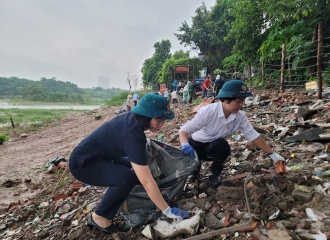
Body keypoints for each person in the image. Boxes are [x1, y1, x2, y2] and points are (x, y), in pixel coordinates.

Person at [69, 93, 189, 234]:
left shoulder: (133, 122)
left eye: (164, 121)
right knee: (126, 178)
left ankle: (132, 199)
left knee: (133, 172)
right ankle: (99, 216)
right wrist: (167, 210)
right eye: (159, 121)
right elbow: (146, 181)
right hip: (84, 164)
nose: (161, 126)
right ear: (147, 116)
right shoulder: (133, 134)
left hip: (103, 156)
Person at [178, 80, 285, 188]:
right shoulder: (209, 112)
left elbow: (252, 134)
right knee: (191, 149)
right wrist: (185, 146)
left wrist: (272, 153)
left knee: (222, 145)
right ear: (225, 100)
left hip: (213, 148)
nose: (241, 105)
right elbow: (184, 131)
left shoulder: (239, 116)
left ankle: (215, 173)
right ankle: (194, 172)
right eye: (238, 102)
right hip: (196, 147)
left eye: (242, 101)